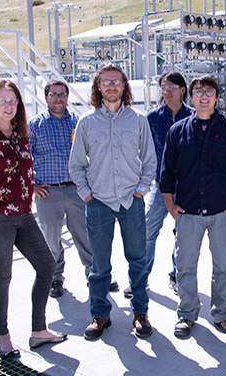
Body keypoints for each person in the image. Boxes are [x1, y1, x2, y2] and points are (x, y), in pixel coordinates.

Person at [0, 79, 66, 358]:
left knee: (47, 265)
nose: (8, 105)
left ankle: (38, 330)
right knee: (3, 276)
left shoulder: (20, 133)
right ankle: (2, 335)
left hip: (22, 213)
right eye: (3, 99)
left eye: (13, 100)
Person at [68, 63, 156, 340]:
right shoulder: (86, 123)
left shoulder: (139, 120)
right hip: (99, 202)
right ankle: (100, 315)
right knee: (99, 265)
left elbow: (150, 162)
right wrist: (87, 194)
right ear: (98, 87)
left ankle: (140, 312)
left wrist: (141, 190)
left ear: (124, 86)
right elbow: (76, 165)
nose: (111, 86)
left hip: (132, 201)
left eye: (116, 81)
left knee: (138, 260)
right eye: (106, 82)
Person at [161, 75, 226, 338]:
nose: (203, 96)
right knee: (185, 266)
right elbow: (166, 174)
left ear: (217, 96)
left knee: (223, 265)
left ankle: (223, 314)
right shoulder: (177, 131)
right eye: (198, 91)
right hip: (188, 212)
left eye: (209, 91)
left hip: (222, 211)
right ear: (191, 96)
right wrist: (171, 207)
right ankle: (187, 314)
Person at [29, 79, 118, 298]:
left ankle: (95, 275)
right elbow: (23, 157)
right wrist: (31, 184)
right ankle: (55, 277)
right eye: (53, 94)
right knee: (51, 237)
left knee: (86, 235)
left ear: (67, 97)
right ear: (46, 97)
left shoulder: (79, 122)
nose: (58, 98)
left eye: (62, 94)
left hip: (76, 189)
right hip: (48, 191)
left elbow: (93, 153)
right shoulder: (35, 125)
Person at [123, 71, 192, 299]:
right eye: (164, 87)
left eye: (173, 86)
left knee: (183, 235)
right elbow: (143, 150)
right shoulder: (152, 117)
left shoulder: (192, 116)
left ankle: (176, 277)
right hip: (161, 185)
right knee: (147, 232)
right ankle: (140, 280)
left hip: (186, 187)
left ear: (183, 89)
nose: (168, 91)